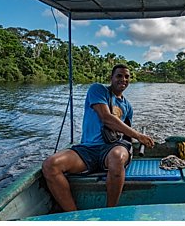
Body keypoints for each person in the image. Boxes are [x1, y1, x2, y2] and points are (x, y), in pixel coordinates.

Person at [42, 64, 155, 212]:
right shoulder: (98, 90)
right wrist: (139, 135)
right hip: (88, 149)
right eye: (119, 76)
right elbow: (106, 118)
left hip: (113, 148)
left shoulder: (127, 106)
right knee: (50, 165)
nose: (123, 79)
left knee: (117, 156)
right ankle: (74, 215)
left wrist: (132, 147)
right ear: (111, 78)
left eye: (127, 77)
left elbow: (126, 136)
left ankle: (109, 212)